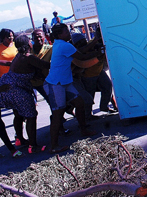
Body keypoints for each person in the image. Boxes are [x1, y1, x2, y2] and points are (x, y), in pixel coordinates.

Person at [43, 23, 100, 153]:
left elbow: (80, 52)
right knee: (58, 114)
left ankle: (83, 129)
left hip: (64, 82)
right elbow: (82, 56)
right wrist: (99, 52)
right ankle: (54, 146)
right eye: (66, 32)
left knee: (79, 103)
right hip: (55, 84)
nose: (69, 34)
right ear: (59, 35)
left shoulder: (60, 43)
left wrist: (95, 42)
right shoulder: (64, 45)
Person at [0, 35, 50, 153]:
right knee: (31, 116)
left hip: (8, 87)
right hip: (16, 90)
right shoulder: (28, 57)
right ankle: (32, 146)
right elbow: (46, 65)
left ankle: (20, 139)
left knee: (18, 114)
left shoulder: (19, 56)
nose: (31, 42)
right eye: (29, 41)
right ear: (27, 45)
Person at [72, 33, 117, 115]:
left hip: (99, 72)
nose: (83, 42)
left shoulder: (91, 44)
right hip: (88, 76)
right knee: (90, 95)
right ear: (76, 44)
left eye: (83, 40)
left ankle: (104, 106)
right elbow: (83, 56)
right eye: (79, 42)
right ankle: (88, 114)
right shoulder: (77, 52)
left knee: (108, 86)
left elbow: (98, 45)